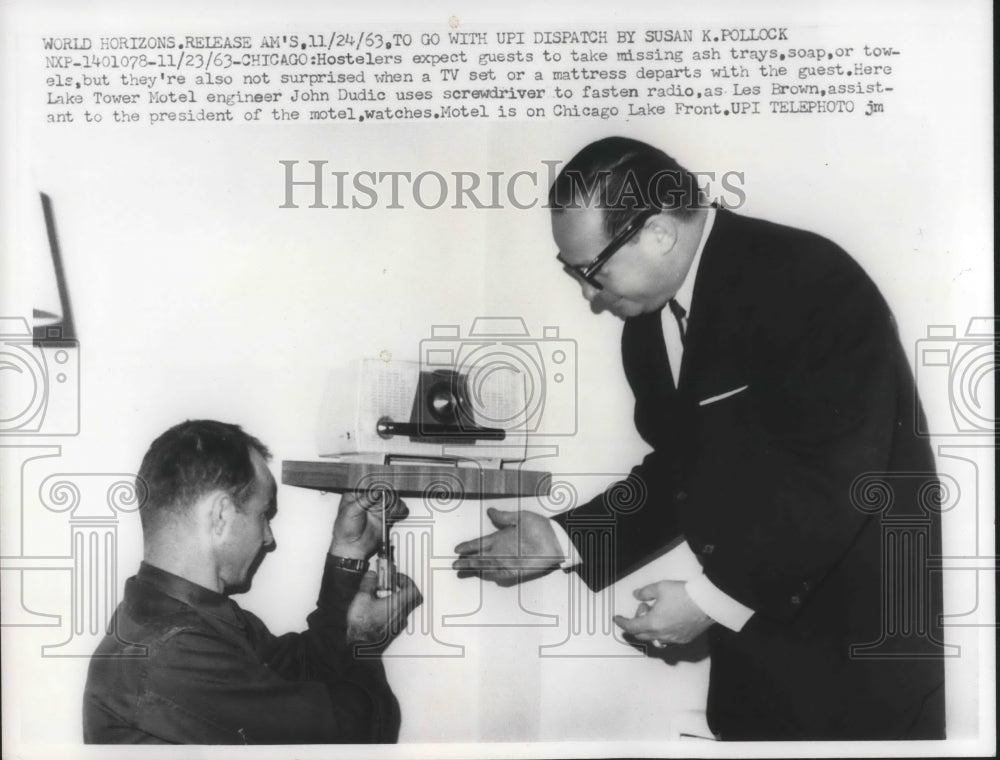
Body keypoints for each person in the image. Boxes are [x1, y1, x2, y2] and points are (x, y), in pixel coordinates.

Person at [453, 136, 945, 740]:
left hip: (859, 662)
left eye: (592, 271)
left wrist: (712, 601)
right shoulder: (648, 325)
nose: (588, 297)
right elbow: (684, 470)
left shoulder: (808, 278)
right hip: (756, 671)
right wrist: (563, 537)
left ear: (658, 232)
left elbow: (839, 475)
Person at [84, 419, 421, 744]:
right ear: (220, 515)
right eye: (263, 514)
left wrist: (348, 553)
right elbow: (355, 736)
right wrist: (365, 641)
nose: (268, 537)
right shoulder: (172, 653)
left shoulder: (193, 621)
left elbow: (310, 668)